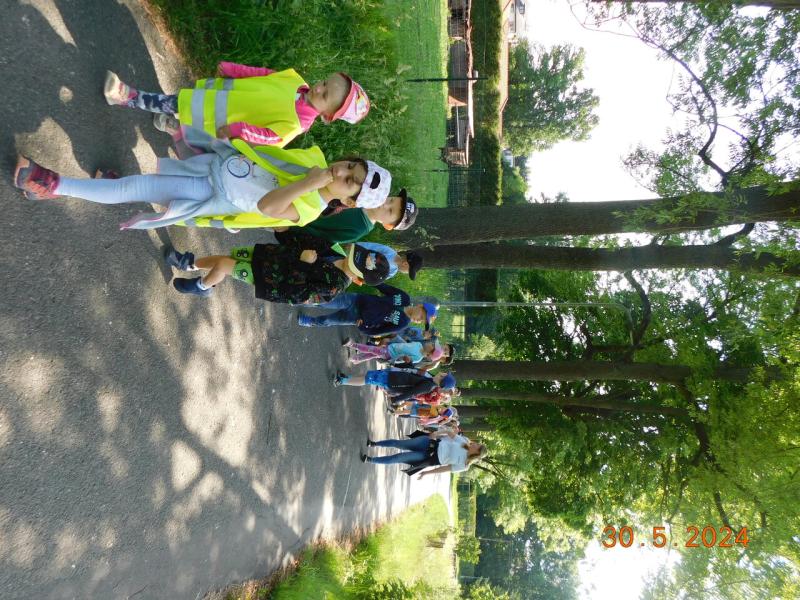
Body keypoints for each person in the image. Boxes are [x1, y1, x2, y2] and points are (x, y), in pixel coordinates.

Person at [14, 138, 389, 231]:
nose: (343, 173)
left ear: (349, 201)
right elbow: (271, 156)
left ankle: (51, 184)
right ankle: (109, 187)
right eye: (350, 166)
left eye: (350, 182)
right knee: (138, 185)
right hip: (217, 165)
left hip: (212, 192)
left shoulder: (310, 209)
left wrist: (310, 184)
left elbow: (269, 207)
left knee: (133, 189)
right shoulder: (315, 160)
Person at [104, 62, 369, 148]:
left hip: (218, 120)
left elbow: (267, 137)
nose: (318, 88)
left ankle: (125, 96)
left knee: (174, 102)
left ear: (328, 115)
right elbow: (263, 75)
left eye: (324, 95)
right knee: (181, 103)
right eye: (324, 82)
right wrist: (235, 70)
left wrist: (238, 129)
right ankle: (173, 124)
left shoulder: (295, 124)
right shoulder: (296, 81)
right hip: (216, 96)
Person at [166, 235, 389, 299]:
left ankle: (202, 287)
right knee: (225, 258)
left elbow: (297, 293)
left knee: (224, 265)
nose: (352, 258)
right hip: (271, 256)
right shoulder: (337, 251)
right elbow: (303, 240)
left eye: (357, 264)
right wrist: (284, 233)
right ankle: (190, 264)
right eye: (358, 256)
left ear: (359, 279)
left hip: (272, 279)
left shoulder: (335, 286)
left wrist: (303, 264)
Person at [273, 187, 418, 244]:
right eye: (391, 200)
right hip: (297, 192)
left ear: (388, 226)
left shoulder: (358, 229)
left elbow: (322, 237)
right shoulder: (363, 193)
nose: (385, 205)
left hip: (290, 219)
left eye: (390, 211)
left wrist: (291, 228)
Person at [297, 283, 437, 337]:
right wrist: (369, 279)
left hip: (356, 317)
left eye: (421, 321)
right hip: (357, 300)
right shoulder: (404, 297)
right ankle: (299, 299)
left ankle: (311, 321)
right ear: (420, 306)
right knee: (326, 302)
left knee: (329, 320)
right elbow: (385, 287)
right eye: (422, 316)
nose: (418, 320)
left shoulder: (403, 323)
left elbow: (379, 331)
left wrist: (363, 328)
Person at [360, 430, 487, 479]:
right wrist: (436, 433)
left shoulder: (464, 465)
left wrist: (426, 473)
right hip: (429, 443)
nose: (475, 444)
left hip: (429, 458)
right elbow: (449, 432)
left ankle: (371, 460)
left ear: (477, 453)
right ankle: (374, 443)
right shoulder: (464, 442)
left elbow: (445, 469)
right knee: (399, 444)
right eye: (477, 444)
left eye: (477, 446)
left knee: (398, 458)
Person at [332, 370, 456, 405]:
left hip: (392, 381)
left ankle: (342, 381)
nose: (443, 372)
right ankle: (347, 377)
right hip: (393, 376)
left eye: (444, 374)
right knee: (368, 375)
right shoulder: (430, 380)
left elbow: (411, 393)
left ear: (442, 379)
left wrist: (396, 400)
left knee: (367, 379)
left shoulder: (428, 386)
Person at [344, 337, 442, 365]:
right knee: (372, 354)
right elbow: (405, 345)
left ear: (430, 353)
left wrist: (407, 359)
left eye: (432, 345)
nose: (431, 343)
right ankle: (357, 359)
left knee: (372, 349)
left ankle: (352, 344)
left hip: (390, 354)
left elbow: (406, 360)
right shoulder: (419, 344)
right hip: (390, 347)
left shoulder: (418, 358)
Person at [356, 242, 423, 280]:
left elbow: (376, 279)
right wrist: (355, 246)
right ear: (405, 264)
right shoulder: (390, 252)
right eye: (408, 271)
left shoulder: (392, 272)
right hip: (357, 254)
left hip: (358, 270)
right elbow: (370, 246)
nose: (406, 273)